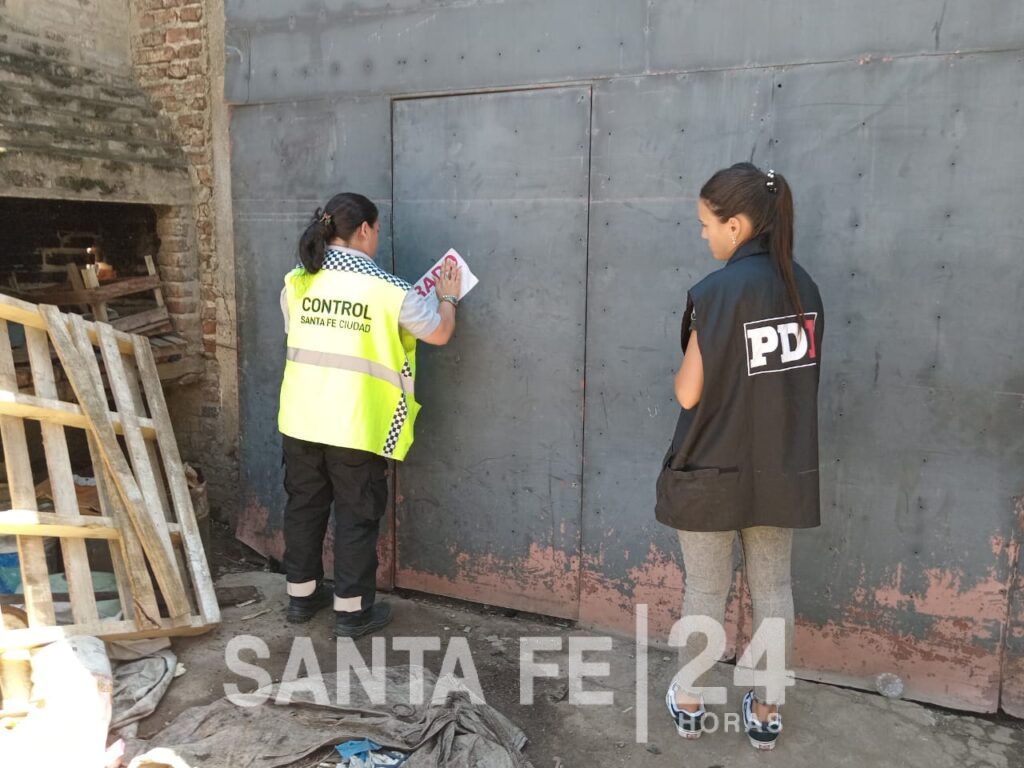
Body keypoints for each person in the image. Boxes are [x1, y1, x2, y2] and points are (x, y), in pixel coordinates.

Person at [656, 163, 824, 751]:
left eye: (707, 224)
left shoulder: (717, 292)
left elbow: (688, 393)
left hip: (711, 467)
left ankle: (691, 700)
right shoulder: (806, 289)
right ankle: (767, 710)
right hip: (779, 468)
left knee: (706, 590)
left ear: (737, 225)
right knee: (774, 588)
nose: (704, 234)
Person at [277, 192, 462, 638]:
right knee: (356, 515)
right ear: (364, 229)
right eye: (377, 229)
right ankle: (352, 612)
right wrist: (448, 298)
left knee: (303, 507)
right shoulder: (388, 290)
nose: (377, 236)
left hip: (300, 419)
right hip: (354, 423)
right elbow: (439, 333)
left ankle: (300, 598)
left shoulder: (297, 282)